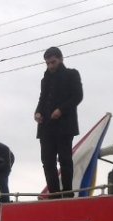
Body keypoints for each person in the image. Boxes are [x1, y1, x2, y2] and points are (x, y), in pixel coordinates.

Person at [35, 46, 83, 198]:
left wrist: (61, 110)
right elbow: (42, 99)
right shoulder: (45, 79)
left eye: (53, 62)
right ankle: (54, 194)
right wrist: (37, 112)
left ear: (61, 59)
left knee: (65, 159)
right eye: (48, 63)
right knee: (47, 161)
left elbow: (77, 96)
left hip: (64, 126)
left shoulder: (71, 74)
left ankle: (68, 192)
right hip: (46, 127)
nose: (50, 66)